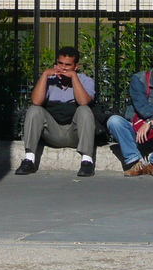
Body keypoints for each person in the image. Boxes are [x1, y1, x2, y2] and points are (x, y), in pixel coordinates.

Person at [16, 46, 97, 177]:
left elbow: (83, 101)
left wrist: (73, 77)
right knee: (34, 110)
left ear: (76, 66)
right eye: (60, 63)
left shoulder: (86, 80)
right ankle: (29, 160)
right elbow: (36, 101)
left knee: (84, 110)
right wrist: (45, 75)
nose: (63, 68)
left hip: (74, 133)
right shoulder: (49, 80)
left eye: (68, 65)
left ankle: (87, 161)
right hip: (53, 132)